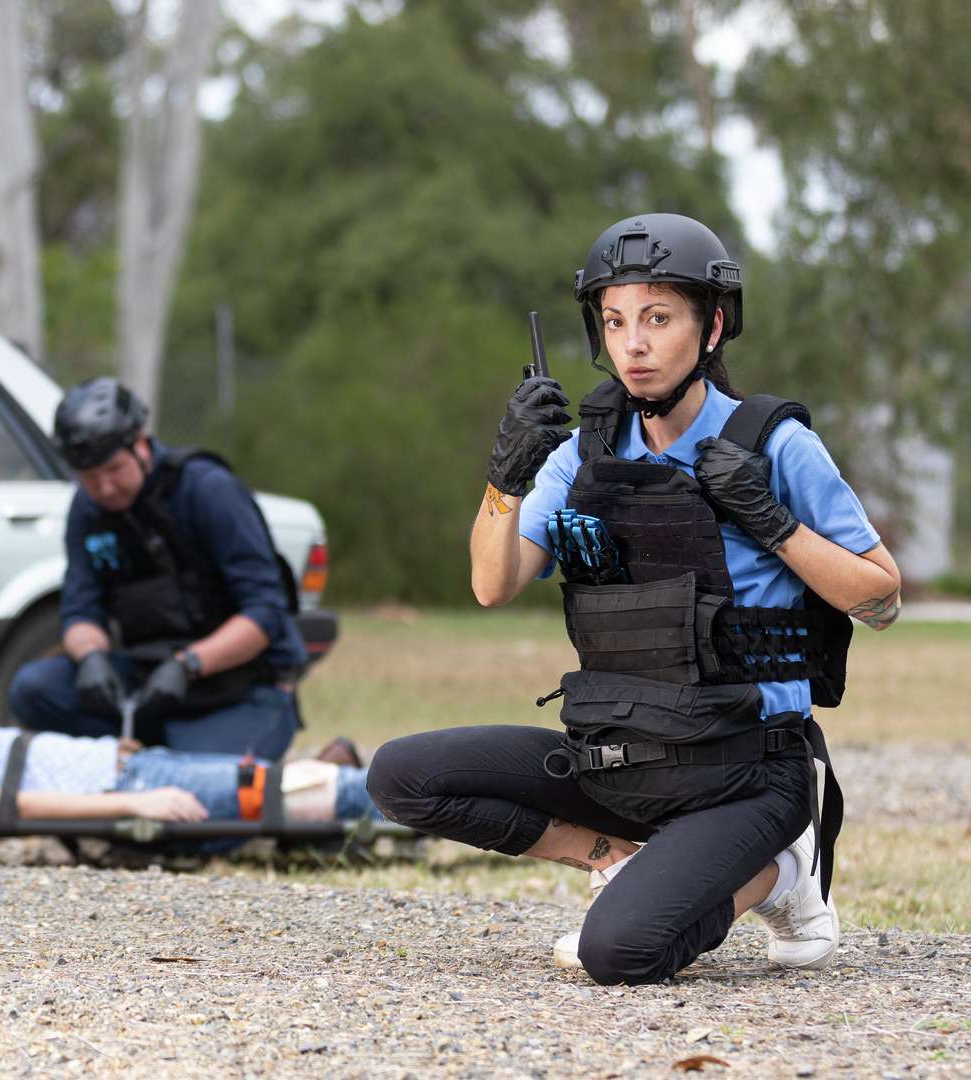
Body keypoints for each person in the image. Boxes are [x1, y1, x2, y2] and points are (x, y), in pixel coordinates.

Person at [366, 212, 904, 986]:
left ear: (712, 326)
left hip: (748, 770)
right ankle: (616, 859)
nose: (634, 344)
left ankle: (784, 872)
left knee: (617, 954)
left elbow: (881, 601)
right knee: (401, 775)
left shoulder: (772, 443)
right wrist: (505, 479)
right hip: (616, 758)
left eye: (657, 318)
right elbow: (493, 584)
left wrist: (774, 523)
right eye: (615, 322)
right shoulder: (582, 449)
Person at [7, 377, 306, 761]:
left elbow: (265, 615)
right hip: (148, 682)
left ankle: (179, 754)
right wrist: (91, 658)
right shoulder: (87, 510)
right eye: (90, 478)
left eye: (114, 469)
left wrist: (188, 665)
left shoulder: (209, 490)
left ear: (141, 445)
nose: (106, 488)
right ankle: (147, 752)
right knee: (34, 688)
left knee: (203, 787)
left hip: (239, 686)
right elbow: (80, 611)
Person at [0, 723, 378, 827]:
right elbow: (11, 807)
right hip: (127, 790)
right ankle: (427, 800)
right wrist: (130, 807)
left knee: (277, 781)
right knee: (306, 795)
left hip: (128, 768)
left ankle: (353, 775)